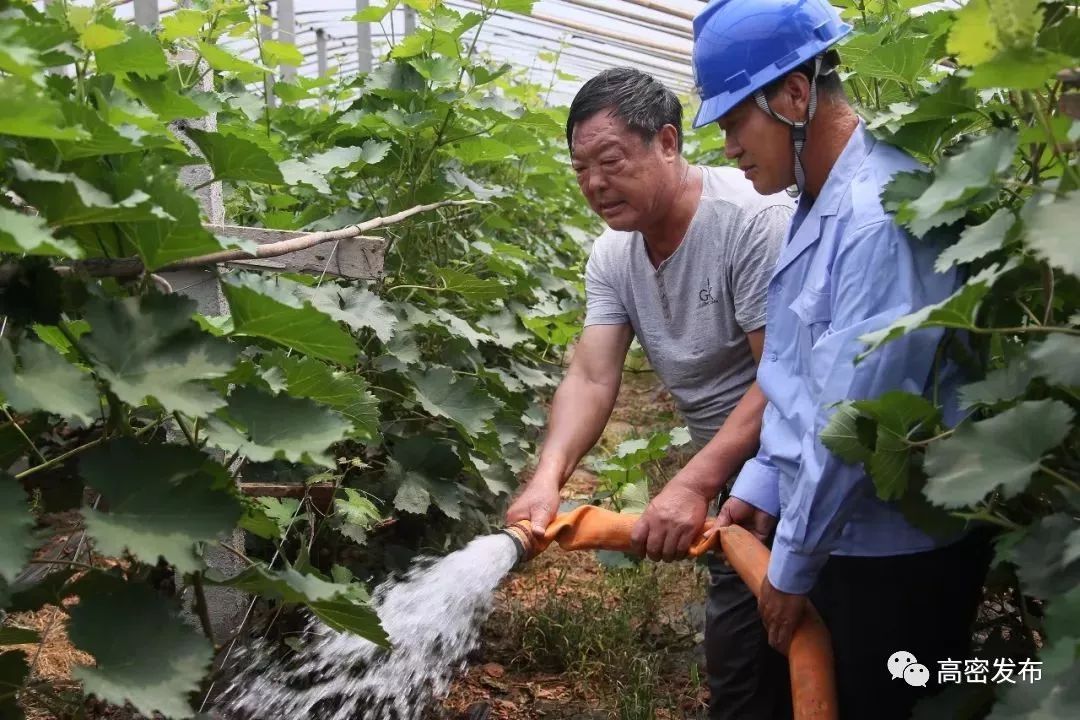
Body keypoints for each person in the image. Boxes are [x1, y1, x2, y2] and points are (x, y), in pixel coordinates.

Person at [691, 1, 992, 718]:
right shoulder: (816, 200)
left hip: (898, 556)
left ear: (795, 95)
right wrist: (759, 483)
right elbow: (794, 375)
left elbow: (856, 424)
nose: (729, 146)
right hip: (837, 539)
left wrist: (789, 568)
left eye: (736, 121)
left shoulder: (876, 219)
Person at [506, 67, 794, 720]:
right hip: (734, 478)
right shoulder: (613, 255)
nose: (596, 184)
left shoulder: (751, 223)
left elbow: (782, 380)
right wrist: (548, 476)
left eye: (610, 160)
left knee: (802, 646)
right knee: (746, 666)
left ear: (668, 142)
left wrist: (691, 484)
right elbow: (591, 375)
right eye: (581, 168)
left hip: (793, 461)